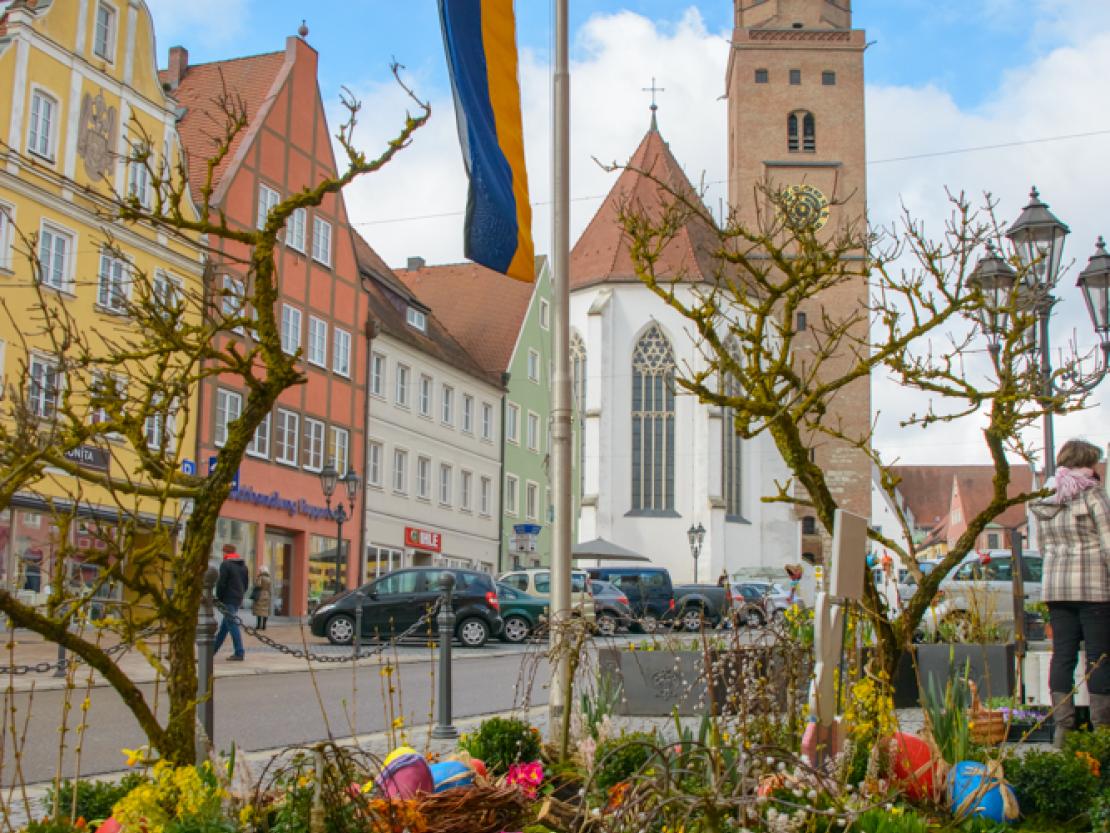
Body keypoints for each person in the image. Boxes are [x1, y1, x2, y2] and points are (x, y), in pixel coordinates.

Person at [1030, 439, 1110, 746]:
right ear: (1088, 463)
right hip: (1093, 588)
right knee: (1099, 659)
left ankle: (1063, 730)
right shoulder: (1093, 494)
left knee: (1062, 656)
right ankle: (1103, 733)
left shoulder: (1047, 498)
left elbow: (1041, 547)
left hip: (1057, 588)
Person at [214, 543, 249, 661]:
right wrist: (240, 594)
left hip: (228, 598)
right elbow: (246, 584)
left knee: (232, 623)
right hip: (237, 598)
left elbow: (221, 583)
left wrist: (219, 597)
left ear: (225, 552)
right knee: (225, 626)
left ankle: (239, 652)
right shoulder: (243, 566)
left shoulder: (226, 564)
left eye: (223, 552)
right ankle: (212, 651)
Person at [251, 565, 273, 630]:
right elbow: (270, 588)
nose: (259, 571)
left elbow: (258, 585)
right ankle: (264, 626)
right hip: (267, 595)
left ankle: (258, 625)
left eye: (260, 570)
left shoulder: (260, 577)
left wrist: (257, 579)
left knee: (259, 611)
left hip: (260, 595)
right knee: (265, 611)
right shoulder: (269, 578)